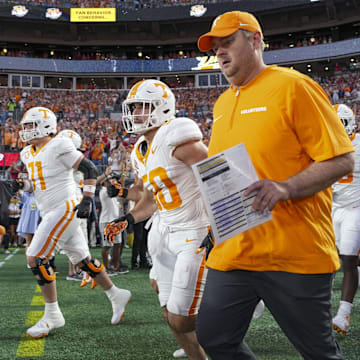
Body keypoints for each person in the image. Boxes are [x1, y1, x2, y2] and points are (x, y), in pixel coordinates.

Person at [195, 11, 355, 359]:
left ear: (255, 41)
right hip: (235, 251)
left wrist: (285, 187)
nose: (220, 52)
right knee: (214, 337)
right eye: (215, 46)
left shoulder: (293, 86)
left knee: (319, 353)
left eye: (228, 42)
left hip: (293, 251)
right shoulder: (223, 103)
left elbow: (342, 159)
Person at [105, 79, 209, 360]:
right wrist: (126, 210)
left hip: (195, 230)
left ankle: (236, 303)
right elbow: (147, 195)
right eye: (133, 107)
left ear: (162, 108)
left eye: (142, 106)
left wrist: (219, 224)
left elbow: (215, 172)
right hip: (167, 229)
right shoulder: (140, 148)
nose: (135, 113)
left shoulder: (175, 134)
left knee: (181, 318)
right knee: (166, 307)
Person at [11, 106, 131, 338]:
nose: (25, 130)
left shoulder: (58, 144)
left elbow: (89, 167)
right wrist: (22, 186)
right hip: (51, 210)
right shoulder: (27, 152)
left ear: (45, 126)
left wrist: (87, 198)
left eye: (29, 125)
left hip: (65, 206)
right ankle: (116, 294)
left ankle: (53, 314)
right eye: (24, 126)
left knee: (36, 257)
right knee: (82, 260)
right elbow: (38, 186)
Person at [331, 104, 360, 335]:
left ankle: (344, 314)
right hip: (333, 208)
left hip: (355, 207)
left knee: (349, 258)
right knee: (329, 257)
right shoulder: (325, 145)